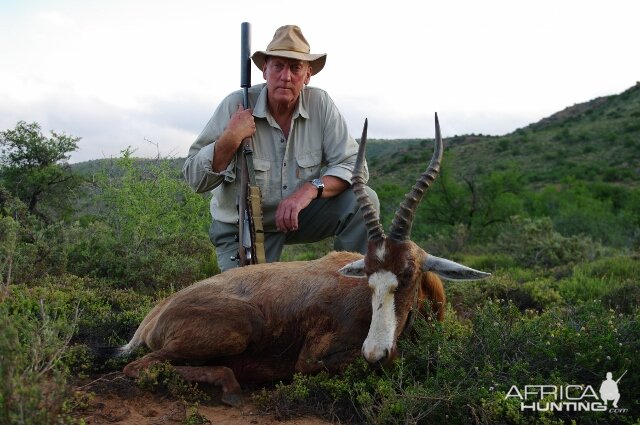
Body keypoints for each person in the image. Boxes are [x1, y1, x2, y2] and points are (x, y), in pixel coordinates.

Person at [183, 24, 379, 271]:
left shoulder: (321, 104)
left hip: (297, 217)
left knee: (364, 201)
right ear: (265, 70)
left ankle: (351, 284)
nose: (286, 76)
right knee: (246, 305)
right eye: (278, 66)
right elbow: (194, 179)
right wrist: (229, 139)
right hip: (241, 228)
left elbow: (355, 166)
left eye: (295, 67)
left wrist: (308, 191)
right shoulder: (236, 104)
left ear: (307, 75)